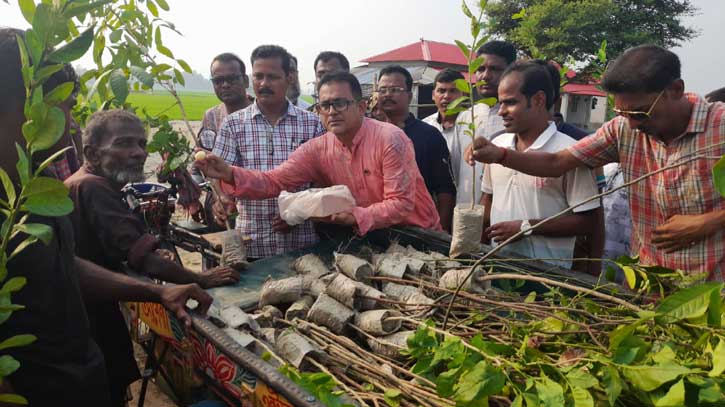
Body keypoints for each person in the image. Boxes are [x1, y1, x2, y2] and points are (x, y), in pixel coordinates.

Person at [0, 27, 212, 406]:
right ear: (28, 106)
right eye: (62, 108)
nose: (71, 127)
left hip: (79, 375)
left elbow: (60, 262)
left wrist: (157, 290)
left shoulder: (34, 178)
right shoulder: (80, 185)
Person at [470, 45, 725, 280]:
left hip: (714, 289)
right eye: (623, 113)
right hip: (651, 284)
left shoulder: (720, 127)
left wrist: (708, 222)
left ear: (676, 90)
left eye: (640, 113)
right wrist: (500, 155)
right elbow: (558, 162)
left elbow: (589, 221)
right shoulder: (621, 129)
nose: (633, 124)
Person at [64, 109, 240, 405]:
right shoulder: (92, 187)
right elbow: (141, 256)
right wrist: (200, 278)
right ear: (92, 153)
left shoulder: (84, 183)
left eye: (142, 144)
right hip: (88, 316)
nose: (138, 153)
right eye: (123, 144)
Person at [196, 72, 441, 236]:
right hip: (372, 237)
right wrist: (229, 174)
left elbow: (400, 204)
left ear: (361, 106)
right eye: (325, 105)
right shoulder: (318, 149)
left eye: (340, 103)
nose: (332, 111)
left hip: (417, 234)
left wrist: (355, 215)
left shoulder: (390, 139)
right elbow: (274, 181)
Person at [479, 61, 600, 269]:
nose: (501, 111)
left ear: (538, 100)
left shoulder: (569, 152)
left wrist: (527, 228)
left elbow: (587, 221)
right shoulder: (498, 146)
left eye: (510, 103)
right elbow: (488, 200)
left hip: (549, 273)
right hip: (496, 264)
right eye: (500, 103)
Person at [211, 45, 325, 260]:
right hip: (251, 243)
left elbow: (322, 180)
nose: (263, 84)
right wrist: (223, 199)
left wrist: (299, 211)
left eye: (272, 77)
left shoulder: (312, 124)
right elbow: (219, 175)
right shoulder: (233, 124)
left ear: (289, 78)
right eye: (258, 76)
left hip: (301, 244)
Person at [377, 65, 456, 231]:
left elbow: (445, 190)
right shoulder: (367, 133)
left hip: (417, 228)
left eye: (395, 89)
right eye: (382, 90)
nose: (388, 94)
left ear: (410, 95)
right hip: (376, 225)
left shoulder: (429, 135)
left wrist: (441, 232)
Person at [423, 69, 483, 205]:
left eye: (453, 91)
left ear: (465, 94)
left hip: (471, 202)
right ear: (433, 95)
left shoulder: (476, 124)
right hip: (436, 204)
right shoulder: (426, 127)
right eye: (441, 91)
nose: (446, 96)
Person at [198, 53, 252, 150]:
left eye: (232, 79)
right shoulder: (211, 116)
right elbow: (203, 153)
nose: (225, 85)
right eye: (218, 80)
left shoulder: (263, 113)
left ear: (246, 81)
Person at [472, 40, 517, 140]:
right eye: (480, 69)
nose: (486, 76)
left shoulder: (522, 119)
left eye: (495, 69)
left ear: (511, 71)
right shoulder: (464, 118)